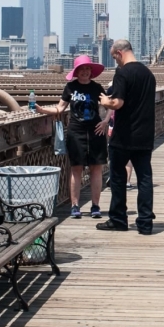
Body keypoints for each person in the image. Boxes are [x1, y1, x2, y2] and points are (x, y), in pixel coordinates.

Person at [36, 55, 108, 219]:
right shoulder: (70, 87)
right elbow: (60, 109)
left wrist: (105, 121)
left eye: (87, 69)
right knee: (76, 168)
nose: (85, 72)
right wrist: (42, 111)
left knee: (96, 168)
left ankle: (95, 206)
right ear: (77, 72)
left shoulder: (97, 88)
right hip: (76, 132)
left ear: (91, 71)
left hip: (96, 132)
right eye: (82, 69)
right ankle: (75, 206)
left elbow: (109, 105)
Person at [99, 39, 156, 235]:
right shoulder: (148, 74)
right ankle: (146, 222)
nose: (115, 61)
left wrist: (106, 101)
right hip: (145, 135)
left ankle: (118, 219)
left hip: (123, 136)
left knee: (117, 178)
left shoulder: (122, 73)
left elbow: (118, 103)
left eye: (114, 56)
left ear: (119, 53)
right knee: (145, 179)